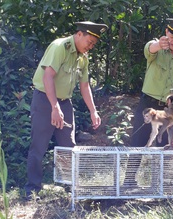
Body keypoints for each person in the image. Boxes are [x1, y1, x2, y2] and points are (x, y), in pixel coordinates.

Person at [25, 21, 108, 199]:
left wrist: (93, 111)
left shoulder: (83, 58)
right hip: (44, 101)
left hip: (65, 103)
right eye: (89, 42)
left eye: (94, 44)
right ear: (79, 34)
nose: (91, 47)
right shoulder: (60, 47)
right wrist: (54, 107)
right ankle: (32, 188)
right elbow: (48, 76)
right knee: (38, 146)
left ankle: (68, 186)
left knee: (68, 146)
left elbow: (85, 86)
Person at [124, 18, 173, 185]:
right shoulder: (156, 48)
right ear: (167, 33)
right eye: (172, 37)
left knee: (165, 144)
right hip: (148, 105)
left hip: (169, 110)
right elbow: (149, 50)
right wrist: (158, 44)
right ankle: (128, 181)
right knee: (138, 142)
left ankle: (158, 185)